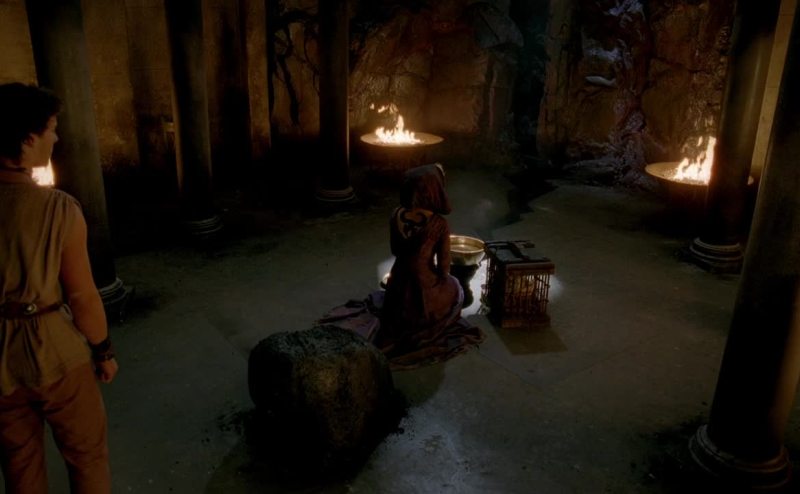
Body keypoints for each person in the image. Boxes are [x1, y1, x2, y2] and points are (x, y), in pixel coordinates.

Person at [0, 82, 117, 493]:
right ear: (27, 140)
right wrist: (103, 350)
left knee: (20, 466)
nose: (57, 137)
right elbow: (82, 295)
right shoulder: (59, 210)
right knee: (87, 456)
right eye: (51, 128)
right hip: (54, 350)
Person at [377, 163, 464, 354]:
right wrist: (440, 279)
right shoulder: (439, 223)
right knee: (455, 288)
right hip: (423, 285)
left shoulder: (395, 214)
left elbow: (395, 250)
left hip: (397, 281)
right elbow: (444, 267)